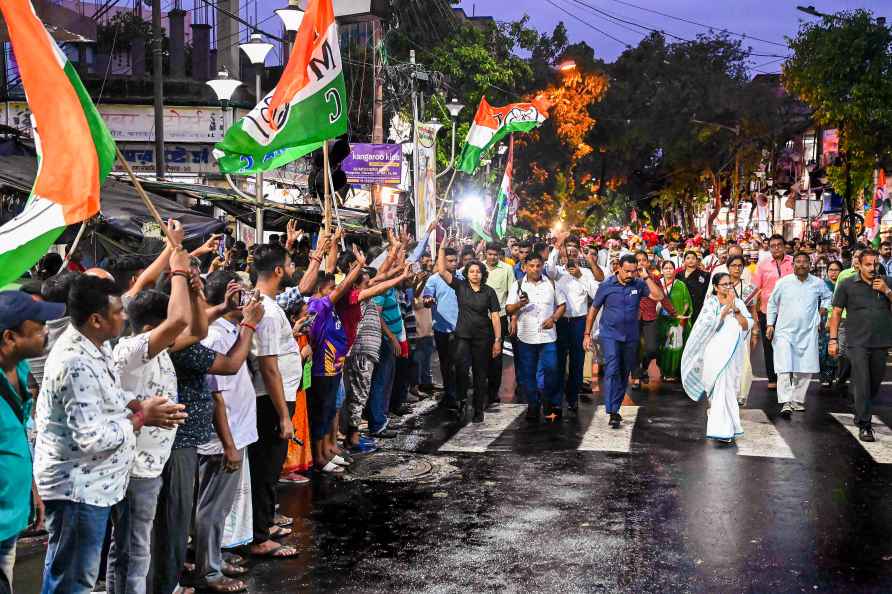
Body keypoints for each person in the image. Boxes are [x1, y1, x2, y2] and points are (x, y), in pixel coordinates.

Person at [34, 275, 186, 594]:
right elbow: (92, 437)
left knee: (71, 572)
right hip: (77, 488)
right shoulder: (74, 361)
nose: (125, 317)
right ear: (96, 319)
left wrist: (136, 404)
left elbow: (111, 393)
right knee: (74, 580)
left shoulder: (94, 346)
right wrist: (143, 416)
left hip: (92, 484)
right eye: (118, 312)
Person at [106, 243, 192, 594]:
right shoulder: (132, 350)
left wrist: (193, 287)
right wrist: (180, 272)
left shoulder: (155, 350)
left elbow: (195, 328)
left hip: (149, 464)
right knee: (133, 550)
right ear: (155, 327)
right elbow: (181, 321)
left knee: (129, 549)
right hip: (133, 467)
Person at [192, 271, 266, 592]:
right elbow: (216, 396)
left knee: (220, 506)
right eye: (244, 293)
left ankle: (215, 556)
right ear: (230, 295)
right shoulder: (215, 336)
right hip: (225, 437)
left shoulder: (228, 329)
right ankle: (207, 571)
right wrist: (229, 444)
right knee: (211, 506)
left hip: (236, 432)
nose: (250, 298)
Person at [0, 292, 65, 593]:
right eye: (38, 325)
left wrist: (33, 488)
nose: (46, 331)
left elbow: (18, 440)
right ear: (9, 337)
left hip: (12, 519)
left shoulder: (20, 371)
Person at [247, 243, 308, 558]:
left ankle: (265, 524)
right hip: (271, 400)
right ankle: (259, 537)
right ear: (278, 271)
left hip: (275, 397)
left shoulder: (266, 304)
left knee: (267, 469)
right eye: (289, 262)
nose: (292, 267)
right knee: (266, 469)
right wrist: (284, 415)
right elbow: (268, 366)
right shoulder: (267, 312)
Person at [584, 254, 664, 428]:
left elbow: (658, 297)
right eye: (627, 271)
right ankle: (612, 411)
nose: (630, 274)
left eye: (633, 271)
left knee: (623, 371)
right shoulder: (606, 286)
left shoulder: (639, 283)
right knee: (612, 368)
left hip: (631, 336)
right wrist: (587, 334)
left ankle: (616, 406)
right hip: (610, 334)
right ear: (618, 268)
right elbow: (594, 309)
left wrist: (645, 276)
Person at [829, 249, 892, 442]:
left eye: (875, 264)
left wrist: (887, 291)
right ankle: (865, 424)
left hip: (881, 341)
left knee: (874, 382)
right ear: (859, 265)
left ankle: (859, 408)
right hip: (857, 342)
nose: (873, 268)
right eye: (868, 264)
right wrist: (833, 340)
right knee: (863, 381)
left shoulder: (887, 282)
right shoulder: (847, 284)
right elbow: (837, 313)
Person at [681, 273, 752, 442]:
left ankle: (729, 426)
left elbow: (746, 325)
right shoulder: (710, 304)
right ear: (715, 287)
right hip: (714, 353)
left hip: (733, 354)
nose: (728, 287)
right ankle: (721, 429)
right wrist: (725, 309)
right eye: (724, 284)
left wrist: (736, 311)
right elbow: (707, 327)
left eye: (730, 284)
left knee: (730, 389)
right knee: (719, 389)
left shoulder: (739, 303)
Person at [437, 240, 501, 422]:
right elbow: (442, 271)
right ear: (466, 273)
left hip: (483, 338)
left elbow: (495, 316)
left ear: (483, 274)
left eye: (478, 271)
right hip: (463, 337)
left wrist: (497, 340)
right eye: (471, 271)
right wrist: (441, 247)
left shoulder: (489, 292)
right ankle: (463, 400)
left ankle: (478, 409)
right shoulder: (460, 286)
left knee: (481, 374)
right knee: (461, 370)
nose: (475, 274)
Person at [766, 252, 832, 418]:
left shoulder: (818, 283)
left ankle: (796, 399)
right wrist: (769, 324)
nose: (801, 265)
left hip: (808, 331)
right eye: (798, 262)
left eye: (805, 262)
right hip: (784, 332)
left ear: (810, 265)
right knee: (783, 367)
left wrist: (823, 308)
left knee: (806, 368)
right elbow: (772, 304)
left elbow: (828, 297)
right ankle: (786, 402)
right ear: (793, 264)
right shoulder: (783, 283)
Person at [507, 253, 566, 422]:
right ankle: (533, 405)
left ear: (542, 266)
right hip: (526, 337)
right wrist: (520, 304)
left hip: (548, 337)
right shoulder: (517, 285)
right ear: (525, 267)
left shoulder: (552, 283)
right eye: (531, 266)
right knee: (527, 374)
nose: (535, 269)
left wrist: (553, 319)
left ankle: (548, 401)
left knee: (552, 370)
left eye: (538, 266)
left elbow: (562, 305)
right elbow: (509, 309)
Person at [554, 258, 599, 413]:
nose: (571, 254)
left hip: (578, 322)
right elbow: (549, 267)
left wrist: (580, 275)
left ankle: (572, 398)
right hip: (560, 321)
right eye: (568, 250)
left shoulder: (585, 273)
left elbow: (595, 293)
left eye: (574, 250)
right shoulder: (557, 271)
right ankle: (557, 399)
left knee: (577, 361)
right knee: (558, 362)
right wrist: (557, 246)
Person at [752, 235, 793, 390]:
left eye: (779, 245)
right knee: (769, 345)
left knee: (788, 345)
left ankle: (786, 376)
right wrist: (753, 312)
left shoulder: (793, 262)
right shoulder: (763, 265)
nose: (776, 248)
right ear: (769, 248)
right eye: (773, 245)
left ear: (784, 246)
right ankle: (772, 377)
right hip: (767, 311)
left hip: (789, 311)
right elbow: (755, 288)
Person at [423, 247, 459, 409]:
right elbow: (426, 298)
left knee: (460, 363)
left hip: (461, 329)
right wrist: (428, 300)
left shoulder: (462, 278)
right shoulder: (433, 280)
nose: (453, 263)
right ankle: (451, 394)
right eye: (449, 261)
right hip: (442, 329)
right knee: (446, 364)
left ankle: (458, 393)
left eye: (454, 260)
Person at [483, 242, 515, 410]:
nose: (492, 257)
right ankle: (481, 388)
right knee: (480, 355)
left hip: (500, 318)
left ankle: (493, 392)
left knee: (496, 355)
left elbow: (512, 295)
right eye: (490, 254)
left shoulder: (507, 269)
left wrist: (512, 319)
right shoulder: (478, 268)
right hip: (480, 319)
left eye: (495, 254)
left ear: (499, 255)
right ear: (485, 253)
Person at [726, 255, 759, 405]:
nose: (737, 268)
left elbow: (753, 310)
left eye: (740, 266)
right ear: (728, 267)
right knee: (728, 361)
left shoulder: (748, 288)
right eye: (733, 265)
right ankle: (729, 391)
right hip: (726, 328)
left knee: (744, 361)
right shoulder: (722, 285)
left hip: (744, 328)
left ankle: (742, 394)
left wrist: (755, 331)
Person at [656, 260, 692, 382]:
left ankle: (671, 372)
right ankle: (662, 369)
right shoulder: (657, 283)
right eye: (665, 268)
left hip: (676, 321)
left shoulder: (680, 285)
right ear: (662, 270)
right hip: (660, 321)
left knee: (673, 347)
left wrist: (681, 315)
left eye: (670, 268)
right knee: (662, 346)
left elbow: (687, 302)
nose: (668, 270)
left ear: (675, 270)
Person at [819, 260, 843, 387]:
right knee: (824, 349)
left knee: (839, 348)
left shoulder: (844, 284)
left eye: (836, 270)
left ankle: (839, 375)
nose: (833, 273)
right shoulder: (822, 285)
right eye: (830, 270)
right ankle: (826, 376)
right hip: (824, 320)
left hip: (841, 320)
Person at [678, 250, 710, 324]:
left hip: (698, 308)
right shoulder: (679, 275)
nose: (691, 260)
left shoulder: (705, 275)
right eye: (688, 258)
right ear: (684, 261)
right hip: (682, 307)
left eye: (693, 258)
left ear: (697, 260)